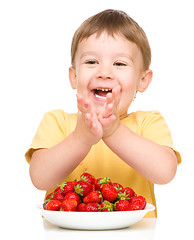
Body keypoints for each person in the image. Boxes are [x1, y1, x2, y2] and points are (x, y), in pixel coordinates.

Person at [25, 9, 181, 217]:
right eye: (91, 62)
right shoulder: (57, 121)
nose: (105, 72)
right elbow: (39, 178)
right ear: (73, 76)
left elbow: (165, 172)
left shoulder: (148, 122)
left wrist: (114, 131)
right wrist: (80, 139)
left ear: (143, 80)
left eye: (119, 64)